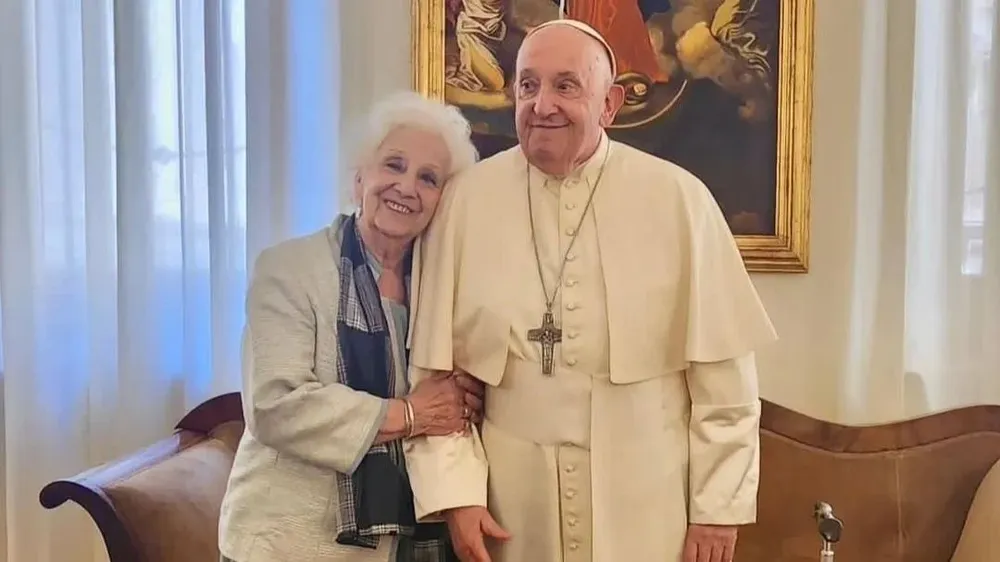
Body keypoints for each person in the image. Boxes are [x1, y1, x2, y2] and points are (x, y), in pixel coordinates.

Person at [403, 18, 777, 562]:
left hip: (649, 502)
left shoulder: (680, 200)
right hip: (513, 503)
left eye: (566, 85)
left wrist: (717, 509)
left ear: (610, 104)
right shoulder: (465, 202)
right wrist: (455, 493)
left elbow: (726, 387)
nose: (542, 104)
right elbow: (435, 378)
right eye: (528, 85)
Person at [218, 91, 483, 562]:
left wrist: (468, 401)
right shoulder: (289, 268)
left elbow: (451, 397)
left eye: (428, 178)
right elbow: (275, 404)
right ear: (359, 179)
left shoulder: (443, 288)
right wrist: (410, 414)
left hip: (401, 544)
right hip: (288, 544)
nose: (407, 187)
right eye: (394, 165)